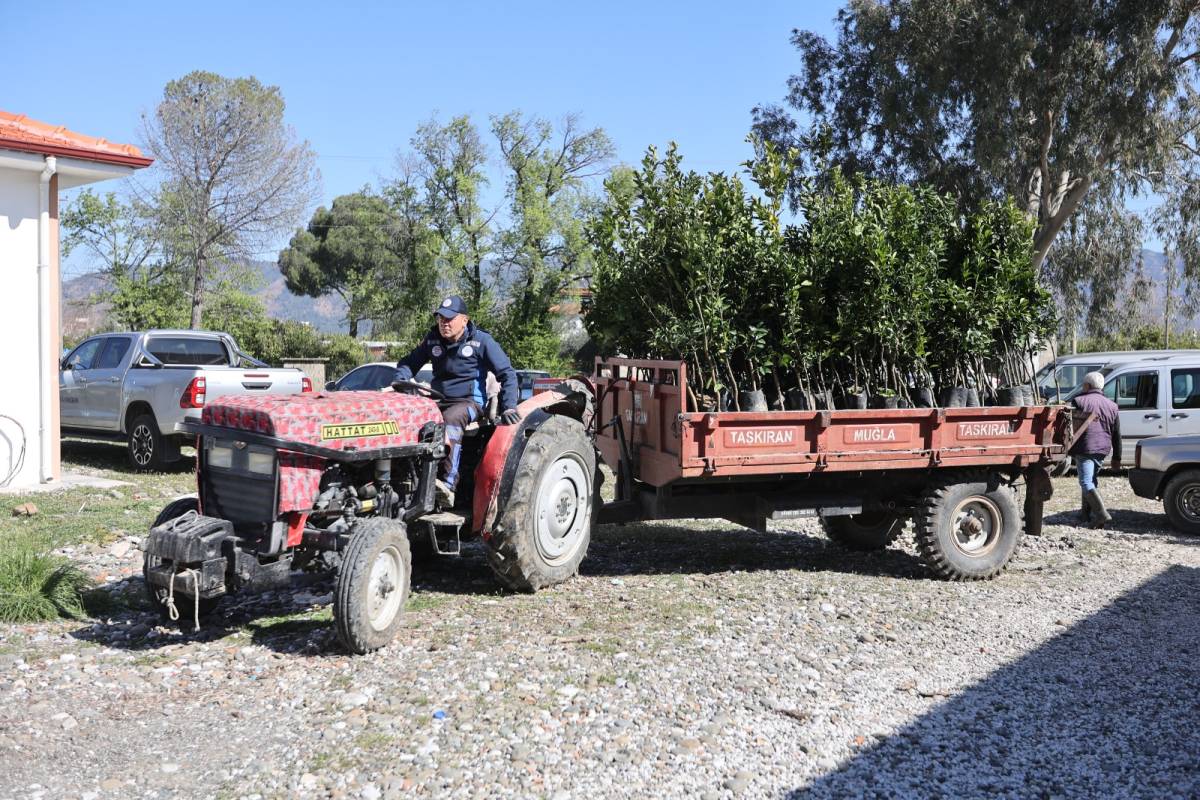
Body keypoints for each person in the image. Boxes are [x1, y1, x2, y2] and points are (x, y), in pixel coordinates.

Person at [393, 295, 520, 507]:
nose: (444, 323)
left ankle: (447, 484)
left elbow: (508, 373)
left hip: (469, 403)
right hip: (438, 400)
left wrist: (509, 407)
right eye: (440, 318)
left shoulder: (482, 341)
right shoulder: (432, 340)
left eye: (449, 318)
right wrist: (401, 378)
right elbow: (408, 362)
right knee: (411, 418)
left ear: (464, 319)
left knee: (451, 419)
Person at [1069, 371, 1121, 528]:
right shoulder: (1112, 406)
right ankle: (1085, 514)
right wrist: (1117, 457)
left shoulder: (1079, 401)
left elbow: (1071, 426)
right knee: (1091, 480)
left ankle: (1101, 514)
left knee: (1085, 482)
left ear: (1087, 385)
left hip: (1085, 448)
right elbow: (1117, 433)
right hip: (1103, 449)